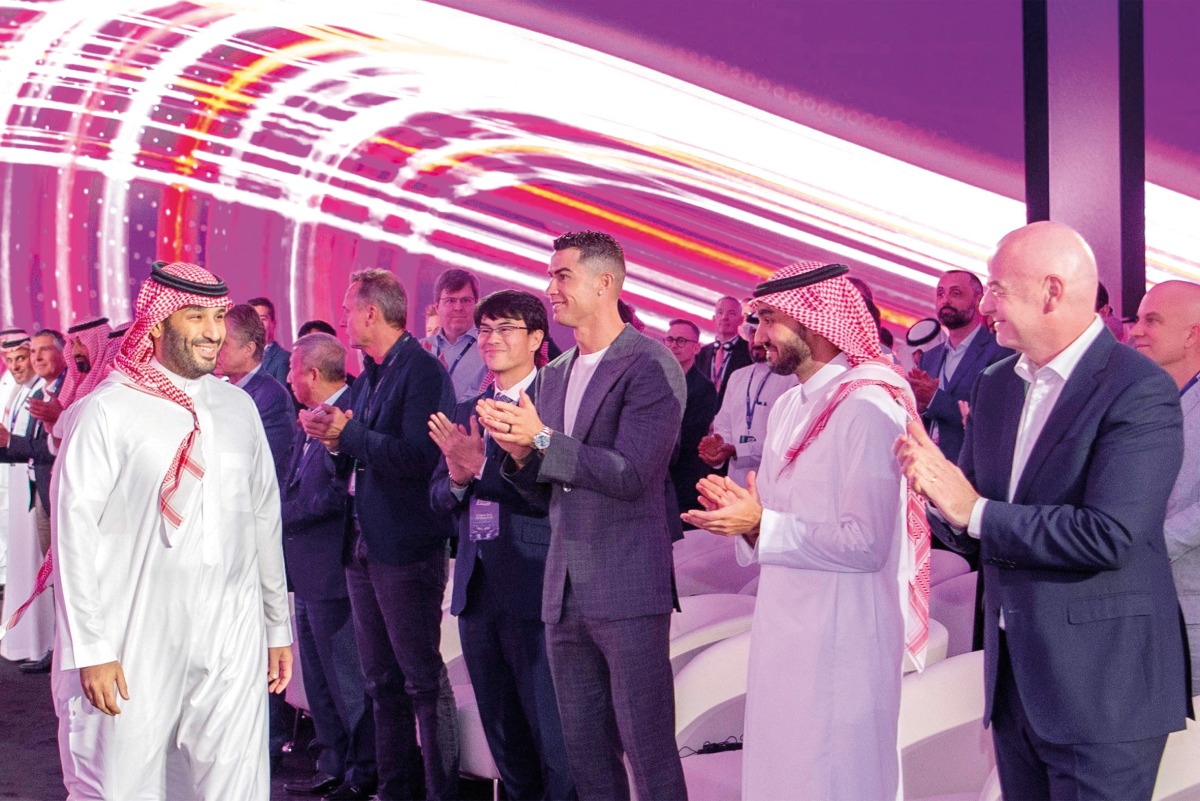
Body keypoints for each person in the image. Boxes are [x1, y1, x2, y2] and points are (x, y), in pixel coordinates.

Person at [896, 221, 1191, 800]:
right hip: (1015, 683)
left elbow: (1110, 535)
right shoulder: (996, 383)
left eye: (997, 289)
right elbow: (970, 520)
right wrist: (912, 502)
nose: (985, 305)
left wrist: (972, 509)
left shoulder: (1138, 388)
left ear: (1052, 292)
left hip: (1102, 690)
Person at [683, 260, 929, 800]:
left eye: (769, 319)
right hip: (784, 623)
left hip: (845, 632)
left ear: (814, 321)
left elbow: (866, 544)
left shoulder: (867, 407)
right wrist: (743, 522)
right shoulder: (791, 404)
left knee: (837, 776)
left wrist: (762, 524)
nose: (758, 335)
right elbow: (768, 517)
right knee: (781, 770)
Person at [50, 260, 292, 800]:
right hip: (133, 629)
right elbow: (73, 534)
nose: (213, 331)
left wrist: (276, 625)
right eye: (196, 316)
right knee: (123, 782)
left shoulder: (240, 407)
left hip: (231, 629)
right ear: (156, 324)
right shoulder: (106, 412)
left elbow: (262, 517)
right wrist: (90, 646)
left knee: (233, 783)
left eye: (219, 317)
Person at [478, 230, 688, 801]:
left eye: (561, 276)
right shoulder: (556, 373)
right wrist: (520, 456)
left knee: (648, 750)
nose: (551, 289)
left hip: (626, 586)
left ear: (605, 283)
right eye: (551, 276)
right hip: (561, 586)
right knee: (585, 754)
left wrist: (540, 439)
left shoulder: (651, 364)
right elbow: (544, 492)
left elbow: (631, 473)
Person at [300, 268, 458, 801]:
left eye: (348, 309)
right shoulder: (371, 374)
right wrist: (333, 441)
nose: (342, 319)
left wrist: (352, 435)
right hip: (363, 544)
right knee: (380, 683)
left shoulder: (423, 372)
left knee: (420, 681)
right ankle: (394, 789)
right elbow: (362, 451)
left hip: (406, 547)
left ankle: (440, 790)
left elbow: (419, 458)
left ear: (371, 312)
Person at [429, 289, 575, 801]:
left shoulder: (556, 407)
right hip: (477, 589)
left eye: (505, 329)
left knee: (552, 738)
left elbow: (551, 496)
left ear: (537, 339)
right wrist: (457, 477)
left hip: (536, 588)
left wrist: (481, 470)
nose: (490, 339)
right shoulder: (468, 406)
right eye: (485, 329)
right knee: (503, 736)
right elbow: (438, 496)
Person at [282, 333, 376, 799]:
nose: (287, 378)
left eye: (293, 369)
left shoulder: (350, 415)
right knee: (317, 678)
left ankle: (361, 773)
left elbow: (342, 492)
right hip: (306, 570)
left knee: (346, 679)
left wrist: (284, 514)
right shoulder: (310, 420)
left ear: (313, 375)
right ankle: (333, 760)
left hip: (334, 571)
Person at [1128, 280, 1200, 690]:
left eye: (1151, 320)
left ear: (1192, 334)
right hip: (1140, 606)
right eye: (1138, 319)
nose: (1136, 330)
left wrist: (1140, 549)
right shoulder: (1145, 400)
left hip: (1189, 611)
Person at [907, 270, 1010, 462]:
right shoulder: (930, 357)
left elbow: (990, 420)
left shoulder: (999, 352)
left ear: (978, 301)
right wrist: (918, 405)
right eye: (940, 294)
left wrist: (934, 399)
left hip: (968, 472)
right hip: (927, 469)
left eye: (956, 294)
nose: (946, 300)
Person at [0, 333, 52, 665]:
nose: (19, 365)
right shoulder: (20, 392)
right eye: (13, 360)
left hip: (38, 488)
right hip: (21, 488)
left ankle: (44, 644)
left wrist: (8, 441)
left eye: (25, 357)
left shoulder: (41, 394)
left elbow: (46, 447)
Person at [699, 334, 797, 487]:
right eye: (751, 334)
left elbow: (784, 441)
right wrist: (719, 446)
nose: (756, 340)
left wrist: (737, 450)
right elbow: (724, 424)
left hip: (770, 485)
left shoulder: (792, 380)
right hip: (734, 481)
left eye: (760, 334)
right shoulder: (738, 376)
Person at [217, 304, 296, 487]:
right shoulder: (223, 390)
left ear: (248, 349)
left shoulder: (272, 397)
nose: (216, 351)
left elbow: (266, 465)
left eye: (224, 344)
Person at [663, 319, 718, 524]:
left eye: (680, 340)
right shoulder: (657, 380)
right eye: (669, 339)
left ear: (696, 348)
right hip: (659, 478)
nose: (673, 345)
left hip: (683, 478)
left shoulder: (703, 388)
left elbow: (691, 437)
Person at [422, 268, 487, 402]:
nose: (458, 307)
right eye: (450, 301)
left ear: (477, 304)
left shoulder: (490, 348)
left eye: (465, 300)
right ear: (437, 306)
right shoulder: (419, 349)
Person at [695, 295, 752, 404]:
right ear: (714, 318)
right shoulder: (701, 354)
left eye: (731, 313)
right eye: (720, 312)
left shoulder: (749, 353)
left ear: (741, 320)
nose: (724, 317)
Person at [248, 296, 291, 385]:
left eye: (263, 319)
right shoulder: (242, 357)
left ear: (273, 323)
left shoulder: (283, 359)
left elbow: (282, 397)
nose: (258, 324)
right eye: (254, 319)